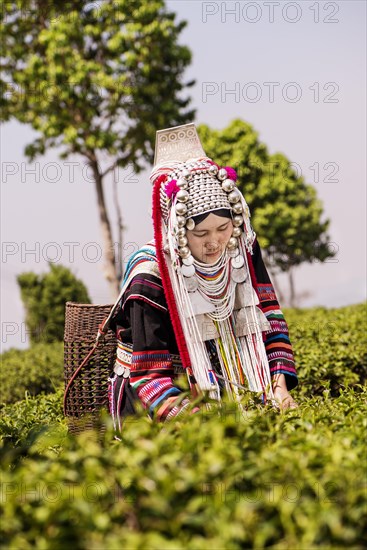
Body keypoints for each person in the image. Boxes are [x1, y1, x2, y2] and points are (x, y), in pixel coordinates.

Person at [108, 124, 298, 430]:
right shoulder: (150, 276)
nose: (215, 243)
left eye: (223, 229)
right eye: (201, 233)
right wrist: (201, 425)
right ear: (176, 230)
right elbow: (149, 377)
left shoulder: (242, 250)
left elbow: (270, 316)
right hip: (162, 399)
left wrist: (278, 385)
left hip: (230, 383)